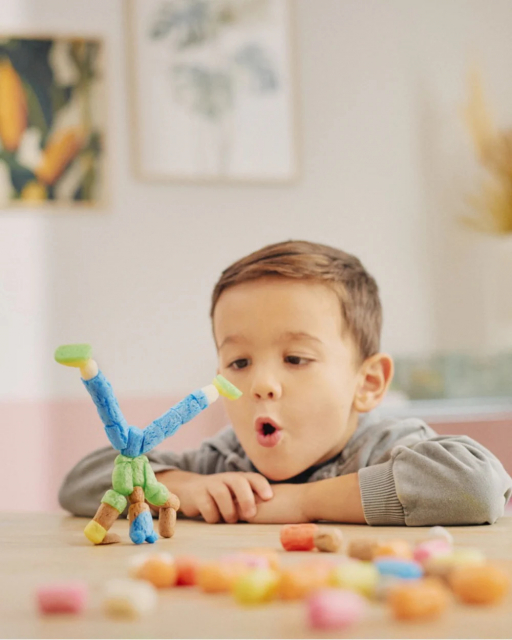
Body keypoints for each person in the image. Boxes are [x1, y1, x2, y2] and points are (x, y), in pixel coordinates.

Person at [59, 240, 512, 526]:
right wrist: (185, 486)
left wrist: (301, 502)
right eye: (239, 362)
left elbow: (475, 486)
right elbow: (81, 481)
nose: (261, 384)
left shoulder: (388, 448)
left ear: (368, 382)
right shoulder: (223, 462)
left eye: (295, 358)